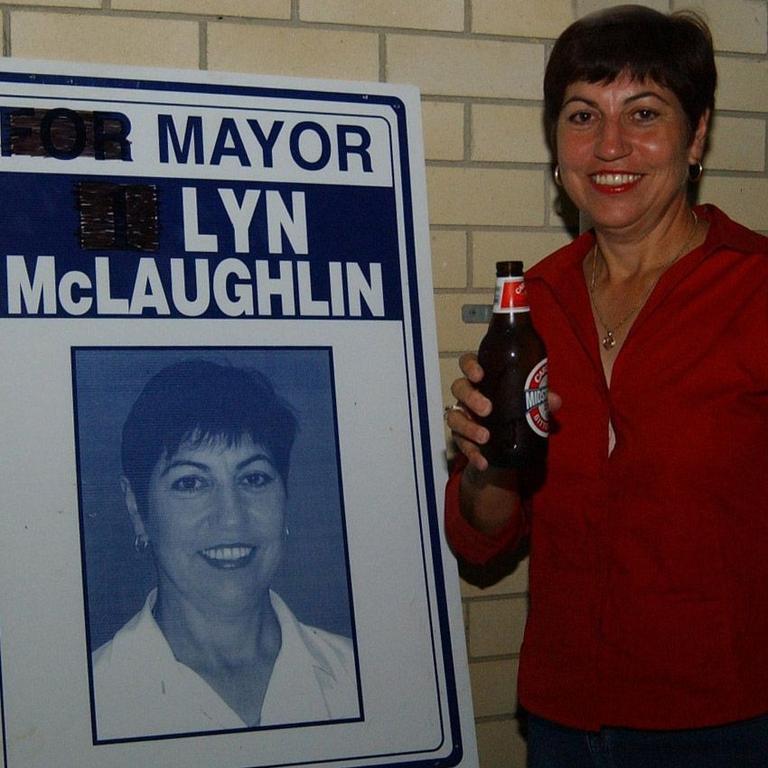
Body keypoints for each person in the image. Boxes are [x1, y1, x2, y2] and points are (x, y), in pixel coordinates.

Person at [444, 6, 768, 767]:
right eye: (583, 115)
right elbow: (485, 536)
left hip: (729, 723)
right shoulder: (533, 305)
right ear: (557, 147)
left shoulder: (755, 288)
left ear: (696, 138)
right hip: (562, 720)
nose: (610, 146)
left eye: (645, 114)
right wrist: (484, 460)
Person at [92, 360, 359, 740]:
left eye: (253, 478)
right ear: (137, 508)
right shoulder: (90, 703)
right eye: (190, 483)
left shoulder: (357, 673)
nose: (231, 518)